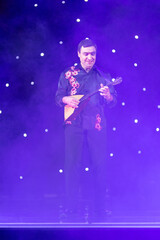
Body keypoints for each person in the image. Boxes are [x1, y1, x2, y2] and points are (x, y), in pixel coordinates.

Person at [55, 38, 117, 222]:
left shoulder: (102, 76)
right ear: (79, 54)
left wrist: (108, 96)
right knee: (72, 166)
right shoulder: (68, 74)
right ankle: (71, 208)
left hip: (96, 125)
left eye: (93, 54)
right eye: (86, 54)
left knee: (99, 165)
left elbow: (113, 101)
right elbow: (58, 97)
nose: (90, 57)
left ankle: (99, 208)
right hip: (73, 124)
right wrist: (67, 100)